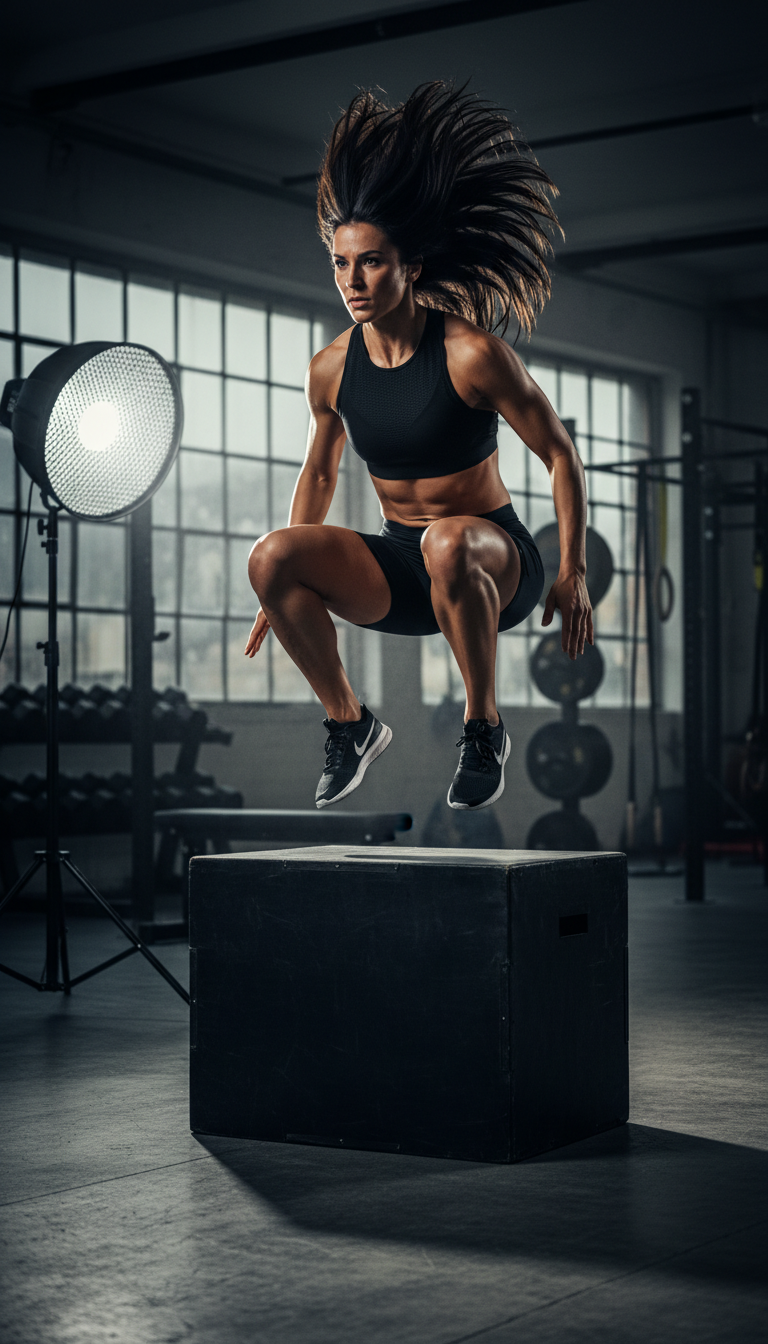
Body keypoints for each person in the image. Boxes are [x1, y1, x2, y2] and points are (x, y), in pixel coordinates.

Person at [246, 82, 592, 812]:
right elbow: (319, 469)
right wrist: (276, 591)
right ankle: (351, 723)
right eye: (341, 264)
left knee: (447, 541)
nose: (352, 281)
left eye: (370, 262)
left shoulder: (471, 354)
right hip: (406, 565)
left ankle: (483, 727)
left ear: (411, 268)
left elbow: (560, 452)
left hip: (495, 561)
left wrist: (573, 570)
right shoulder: (332, 367)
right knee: (271, 555)